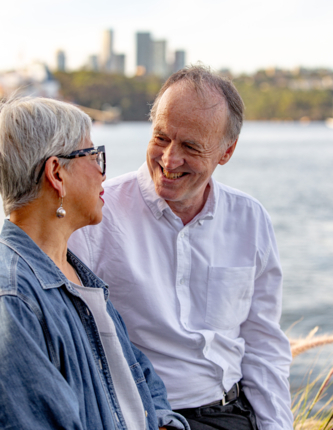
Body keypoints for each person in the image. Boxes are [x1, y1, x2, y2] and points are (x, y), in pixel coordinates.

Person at [69, 66, 293, 430]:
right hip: (145, 417)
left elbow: (263, 343)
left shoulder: (250, 220)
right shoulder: (99, 214)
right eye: (161, 138)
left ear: (226, 151)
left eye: (190, 146)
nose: (169, 160)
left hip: (235, 414)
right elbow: (70, 336)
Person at [0, 94, 190, 430]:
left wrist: (163, 422)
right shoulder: (13, 298)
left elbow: (138, 373)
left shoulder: (76, 274)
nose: (103, 174)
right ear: (56, 173)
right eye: (93, 155)